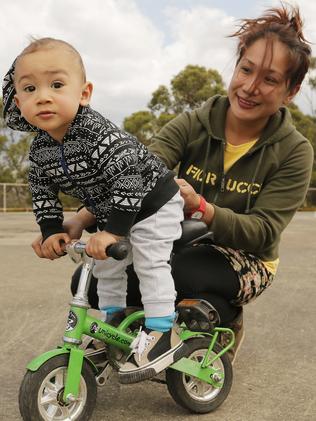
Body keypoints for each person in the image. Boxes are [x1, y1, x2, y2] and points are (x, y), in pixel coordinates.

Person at [68, 3, 314, 364]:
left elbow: (263, 232)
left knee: (179, 274)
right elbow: (138, 171)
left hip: (245, 257)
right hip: (180, 238)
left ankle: (223, 320)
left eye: (270, 80)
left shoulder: (294, 151)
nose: (250, 87)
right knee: (88, 278)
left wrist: (203, 208)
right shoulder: (195, 123)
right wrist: (85, 217)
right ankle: (130, 330)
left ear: (290, 91)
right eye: (246, 70)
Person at [2, 37, 188, 383]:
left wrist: (113, 231)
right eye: (30, 88)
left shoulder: (96, 132)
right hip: (111, 208)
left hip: (153, 202)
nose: (43, 95)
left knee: (149, 260)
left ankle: (163, 331)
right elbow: (42, 193)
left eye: (56, 85)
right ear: (18, 101)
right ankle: (112, 322)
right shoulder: (40, 149)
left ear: (83, 93)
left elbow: (130, 178)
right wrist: (51, 231)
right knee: (105, 267)